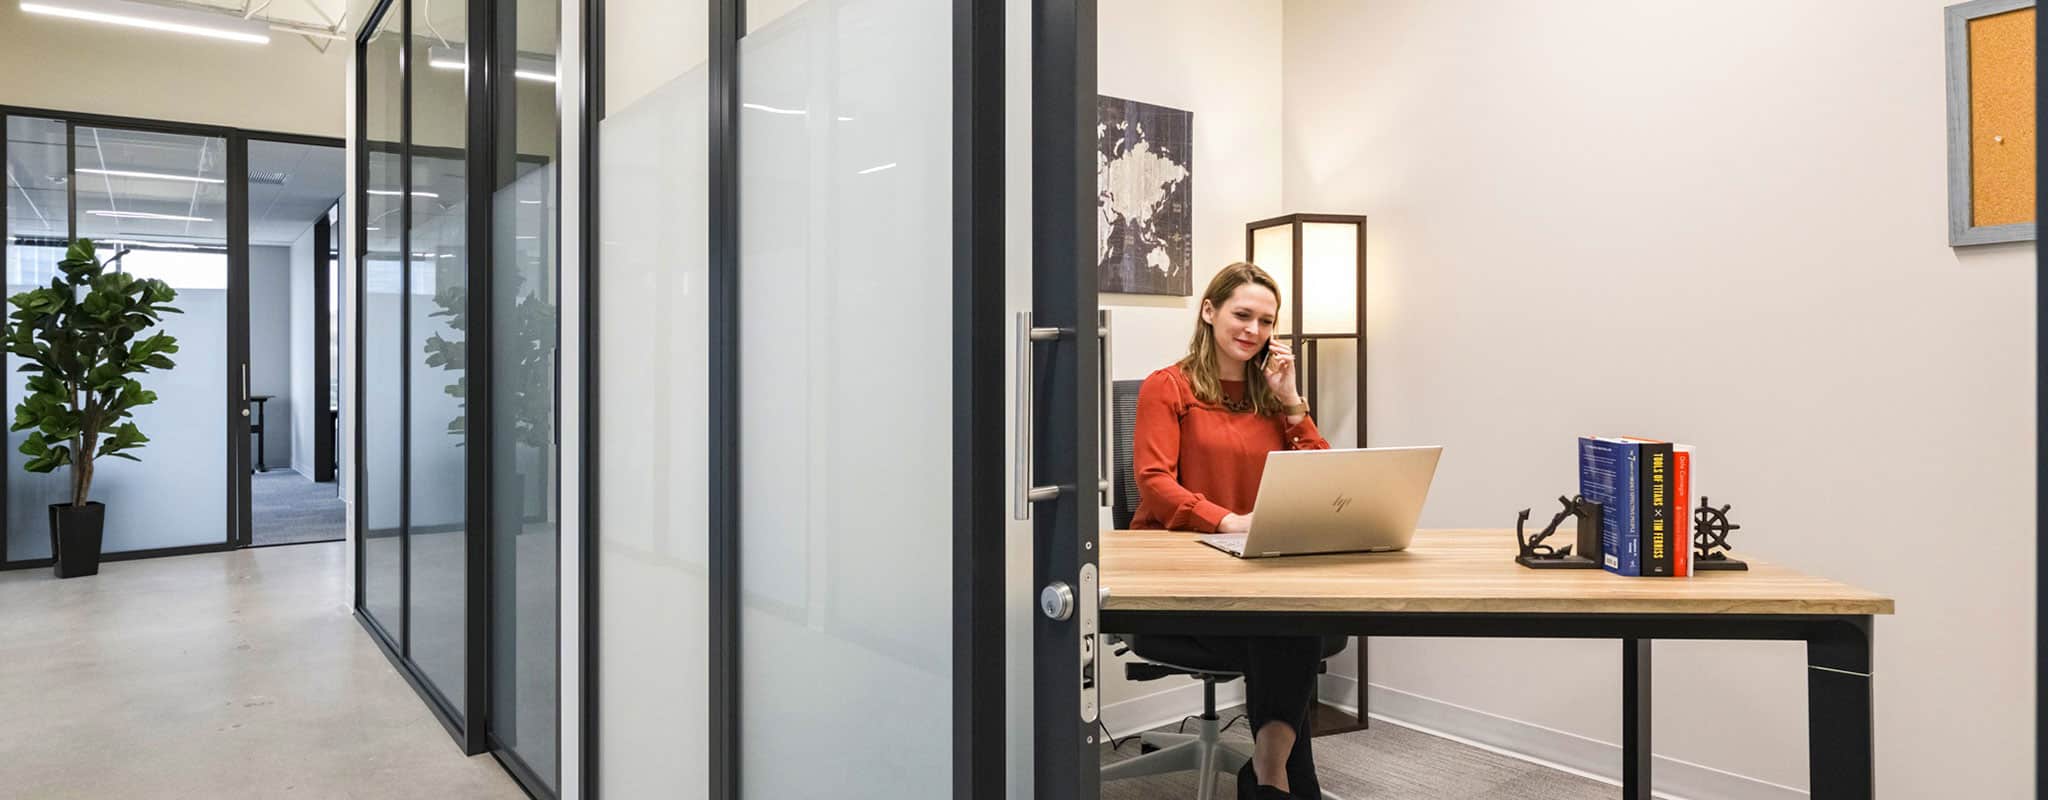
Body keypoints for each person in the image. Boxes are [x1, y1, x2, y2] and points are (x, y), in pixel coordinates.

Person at [1129, 261, 1335, 799]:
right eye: (1242, 315)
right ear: (1208, 311)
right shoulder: (1166, 387)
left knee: (1291, 615)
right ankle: (1277, 776)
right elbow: (1153, 483)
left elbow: (1320, 475)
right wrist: (1225, 519)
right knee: (1288, 625)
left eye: (1267, 322)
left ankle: (1269, 774)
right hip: (1180, 570)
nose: (1254, 331)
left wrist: (1291, 398)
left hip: (1254, 567)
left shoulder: (1270, 397)